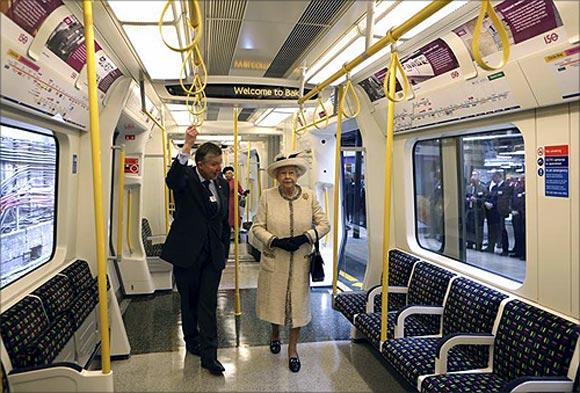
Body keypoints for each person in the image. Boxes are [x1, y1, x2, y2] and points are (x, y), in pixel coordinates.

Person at [251, 152, 330, 373]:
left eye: (292, 173)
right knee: (275, 301)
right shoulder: (267, 196)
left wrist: (307, 237)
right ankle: (275, 333)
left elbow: (325, 224)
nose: (288, 177)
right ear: (277, 176)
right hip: (276, 258)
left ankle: (293, 350)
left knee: (298, 306)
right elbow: (256, 227)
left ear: (297, 175)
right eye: (283, 173)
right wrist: (274, 241)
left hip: (301, 261)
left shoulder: (309, 196)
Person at [161, 126, 229, 376]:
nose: (218, 168)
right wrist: (187, 145)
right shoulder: (186, 178)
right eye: (213, 164)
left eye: (220, 163)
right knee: (188, 303)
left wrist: (223, 249)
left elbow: (223, 220)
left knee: (207, 304)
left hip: (212, 255)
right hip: (187, 254)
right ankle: (191, 341)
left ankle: (210, 356)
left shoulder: (222, 184)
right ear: (199, 164)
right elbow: (172, 179)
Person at [484, 171, 510, 256]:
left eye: (494, 177)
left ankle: (505, 250)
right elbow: (490, 197)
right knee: (492, 230)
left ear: (499, 177)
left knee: (502, 231)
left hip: (500, 212)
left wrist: (493, 204)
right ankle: (490, 247)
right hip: (492, 213)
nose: (493, 179)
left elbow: (503, 200)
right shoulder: (494, 187)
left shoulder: (505, 187)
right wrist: (487, 203)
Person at [222, 166, 249, 231]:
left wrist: (244, 192)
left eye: (229, 173)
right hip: (225, 202)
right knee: (227, 218)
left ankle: (236, 233)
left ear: (232, 174)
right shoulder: (223, 182)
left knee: (234, 218)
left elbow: (241, 190)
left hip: (233, 202)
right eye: (226, 173)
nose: (228, 175)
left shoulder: (235, 182)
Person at [465, 171, 486, 250]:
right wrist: (467, 199)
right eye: (472, 175)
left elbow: (485, 199)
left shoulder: (483, 188)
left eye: (475, 175)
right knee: (469, 227)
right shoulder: (468, 188)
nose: (473, 177)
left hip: (479, 211)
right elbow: (464, 196)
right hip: (469, 211)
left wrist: (477, 200)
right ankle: (470, 243)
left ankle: (478, 245)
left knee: (479, 228)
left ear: (479, 177)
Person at [510, 175, 526, 260]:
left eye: (523, 180)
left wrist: (519, 212)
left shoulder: (527, 189)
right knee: (517, 234)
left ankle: (524, 253)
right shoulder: (517, 189)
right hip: (515, 215)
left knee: (523, 235)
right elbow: (513, 199)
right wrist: (512, 209)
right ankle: (517, 251)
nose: (521, 182)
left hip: (522, 216)